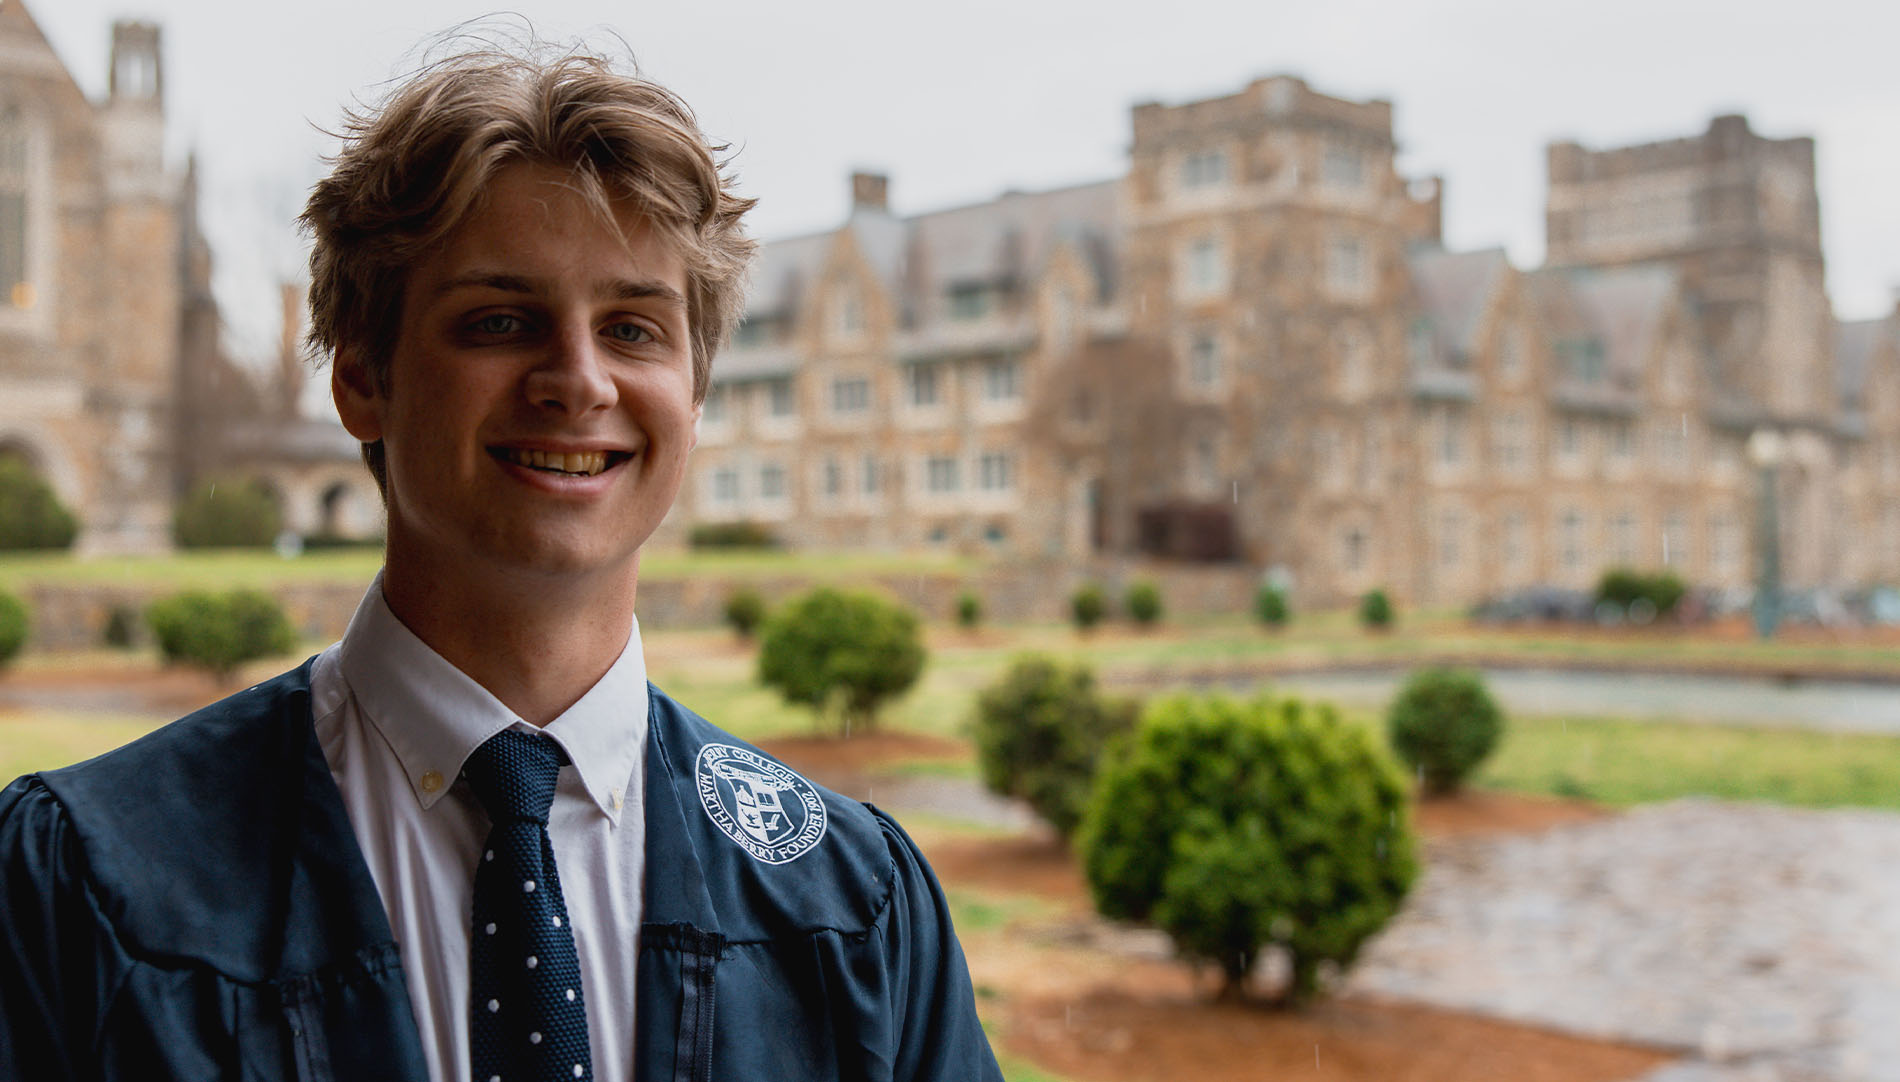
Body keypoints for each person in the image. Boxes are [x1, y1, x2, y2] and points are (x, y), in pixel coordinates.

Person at [0, 44, 1003, 1082]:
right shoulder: (87, 885)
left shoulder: (850, 905)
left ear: (696, 395)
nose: (579, 380)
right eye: (500, 321)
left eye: (633, 328)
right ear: (361, 376)